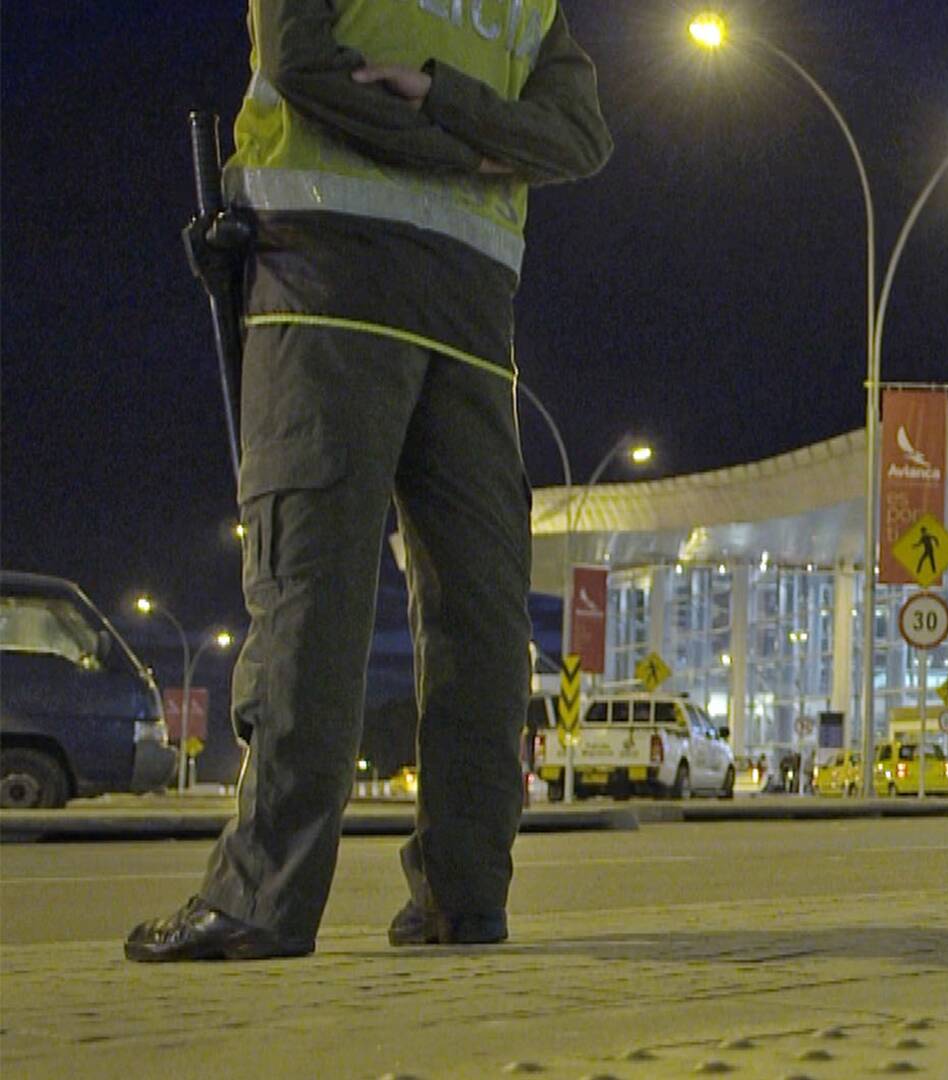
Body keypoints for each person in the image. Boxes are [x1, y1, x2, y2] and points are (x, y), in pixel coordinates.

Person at [125, 0, 611, 963]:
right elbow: (568, 137)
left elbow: (303, 69)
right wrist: (478, 136)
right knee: (480, 615)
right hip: (471, 325)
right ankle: (463, 896)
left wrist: (435, 107)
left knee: (312, 589)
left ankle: (264, 899)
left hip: (326, 293)